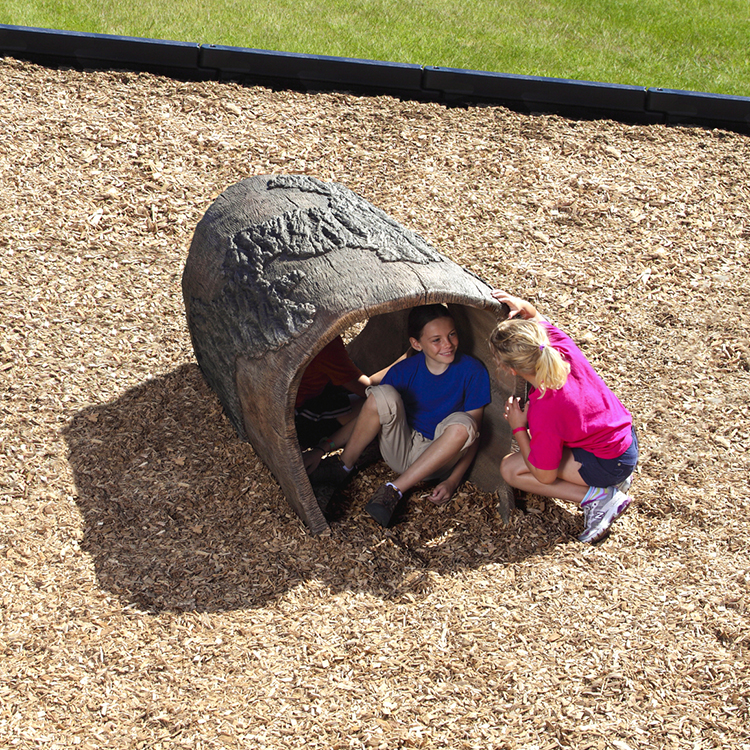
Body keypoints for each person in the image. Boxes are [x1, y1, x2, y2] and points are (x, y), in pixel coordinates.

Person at [310, 303, 491, 527]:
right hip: (399, 447)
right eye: (436, 340)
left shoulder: (473, 371)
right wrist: (323, 448)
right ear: (416, 343)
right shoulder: (404, 371)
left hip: (438, 458)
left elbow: (474, 435)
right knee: (380, 395)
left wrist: (453, 481)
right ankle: (343, 465)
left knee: (466, 423)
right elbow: (367, 416)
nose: (448, 344)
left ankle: (394, 490)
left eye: (451, 335)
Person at [488, 290, 639, 544]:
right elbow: (536, 316)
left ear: (511, 369)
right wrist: (524, 305)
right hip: (624, 439)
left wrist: (518, 428)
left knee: (511, 469)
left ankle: (599, 497)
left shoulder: (545, 408)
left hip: (610, 462)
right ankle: (615, 479)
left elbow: (544, 476)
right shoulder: (558, 347)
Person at [295, 336, 371, 474]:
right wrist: (407, 358)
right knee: (370, 405)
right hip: (300, 417)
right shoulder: (324, 344)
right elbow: (368, 390)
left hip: (303, 399)